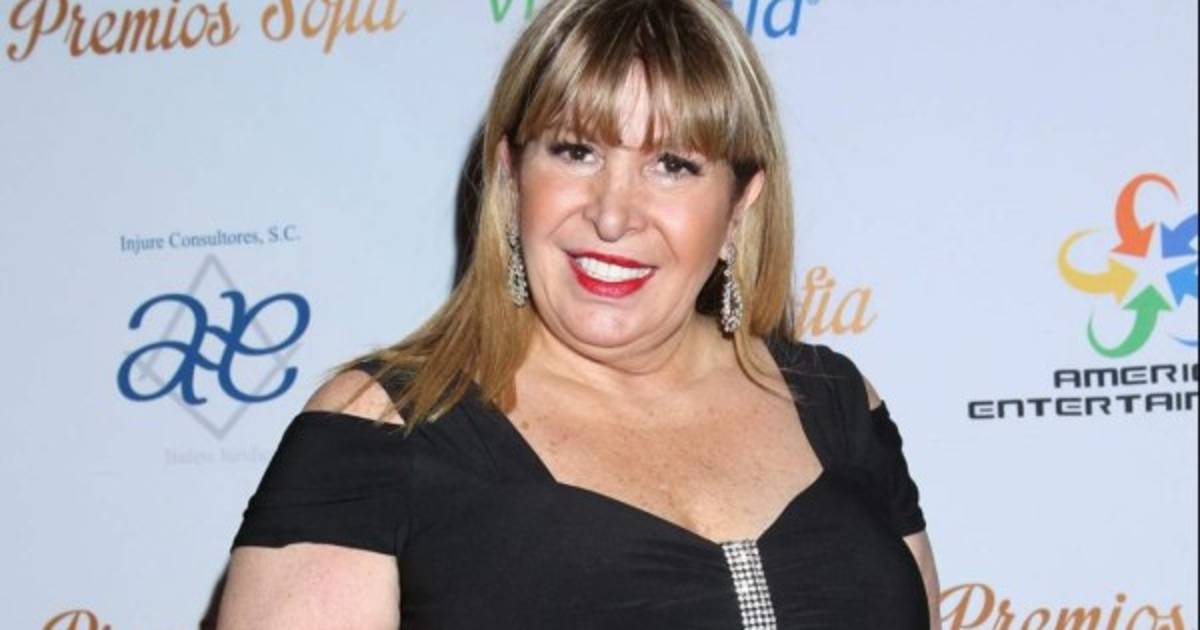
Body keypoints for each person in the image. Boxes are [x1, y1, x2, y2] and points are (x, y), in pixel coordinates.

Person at [216, 0, 941, 628]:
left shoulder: (838, 403)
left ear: (739, 207)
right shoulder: (381, 430)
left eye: (674, 165)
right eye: (575, 152)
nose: (613, 215)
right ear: (511, 176)